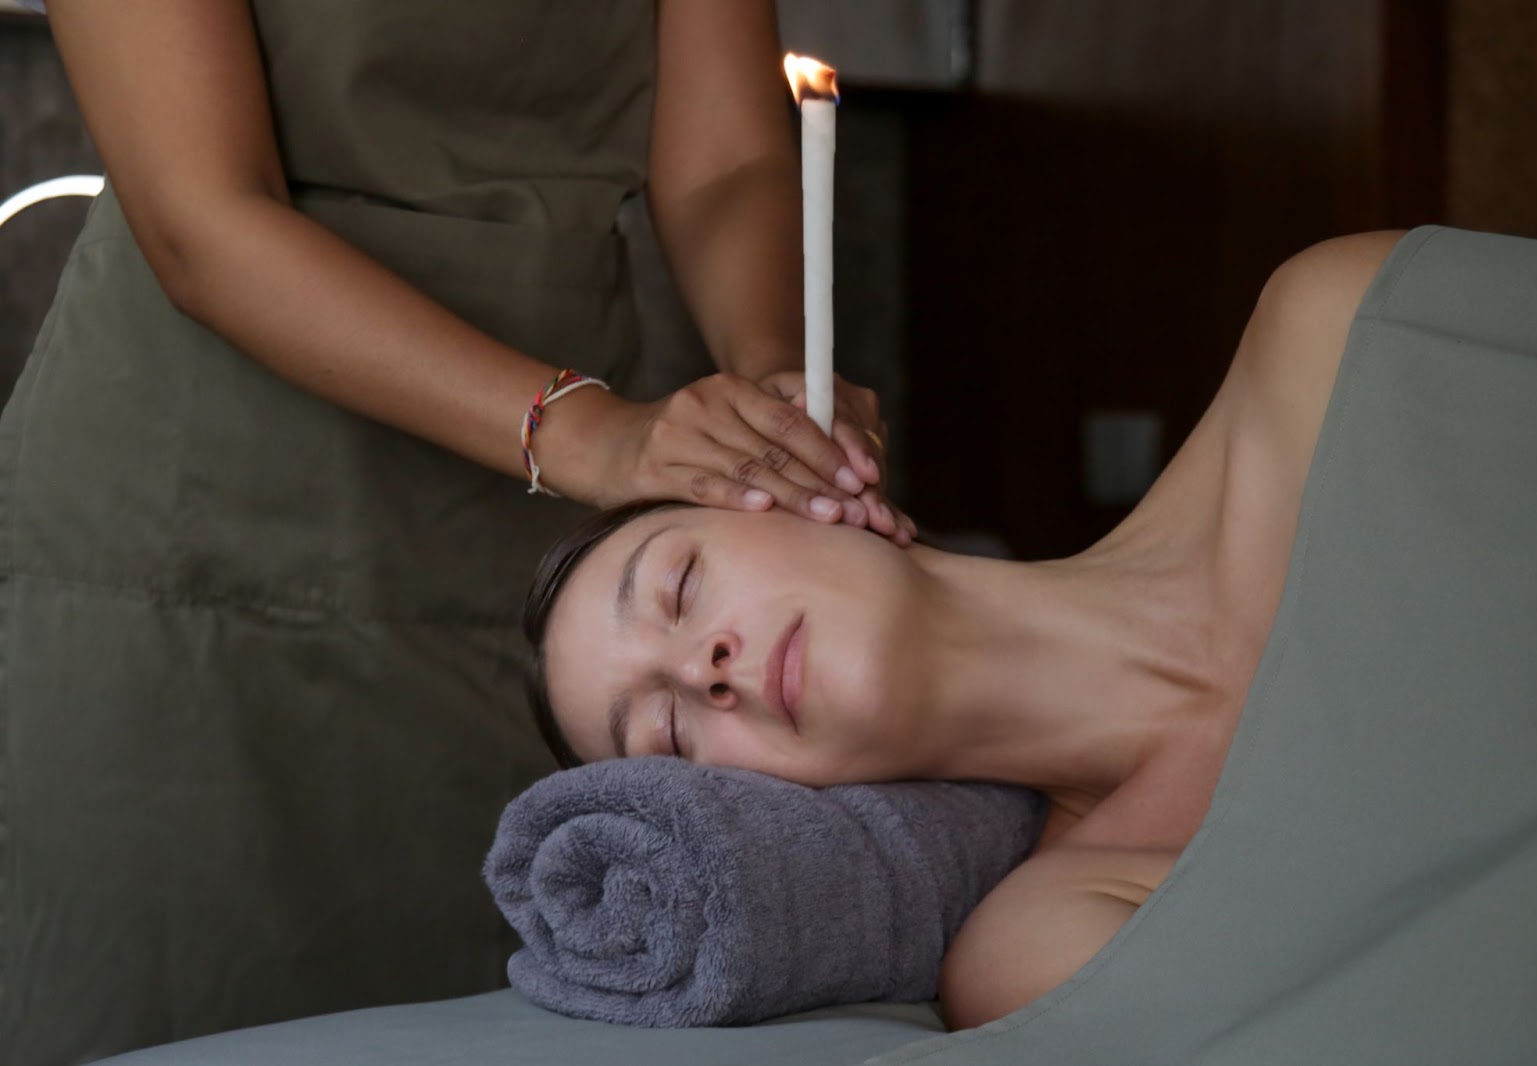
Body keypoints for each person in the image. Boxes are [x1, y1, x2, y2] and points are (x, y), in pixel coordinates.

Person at [0, 2, 912, 1064]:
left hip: (547, 551)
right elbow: (202, 222)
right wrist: (586, 435)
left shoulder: (614, 635)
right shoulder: (592, 444)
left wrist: (769, 381)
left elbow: (720, 164)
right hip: (197, 523)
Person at [519, 229, 1412, 1027]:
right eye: (670, 734)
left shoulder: (1336, 338)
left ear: (812, 471)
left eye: (680, 586)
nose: (701, 671)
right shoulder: (1043, 949)